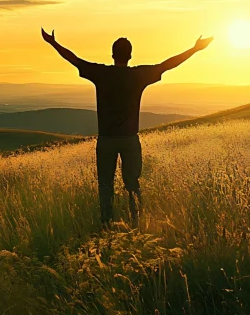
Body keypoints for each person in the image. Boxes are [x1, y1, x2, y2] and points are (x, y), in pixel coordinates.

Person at [41, 29, 213, 225]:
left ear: (112, 54)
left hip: (106, 139)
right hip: (130, 139)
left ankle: (106, 223)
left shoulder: (101, 73)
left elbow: (75, 60)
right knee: (132, 184)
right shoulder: (138, 75)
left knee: (105, 185)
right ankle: (136, 222)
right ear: (130, 55)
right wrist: (194, 49)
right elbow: (167, 65)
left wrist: (53, 43)